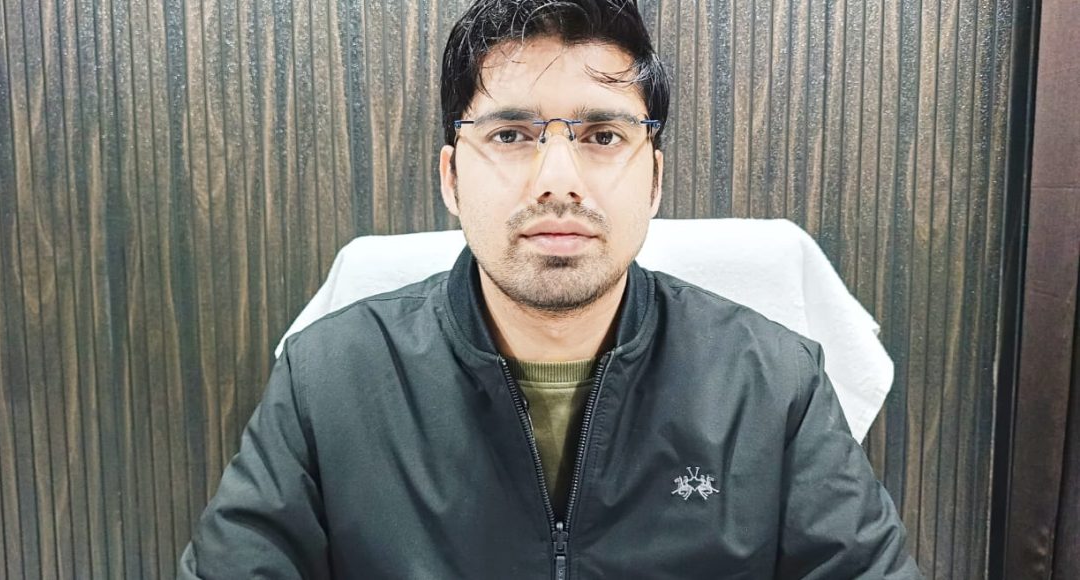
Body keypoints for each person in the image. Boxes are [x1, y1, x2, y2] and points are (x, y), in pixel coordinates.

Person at [179, 0, 921, 577]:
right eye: (511, 135)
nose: (558, 180)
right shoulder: (326, 380)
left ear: (654, 179)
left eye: (603, 137)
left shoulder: (774, 383)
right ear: (451, 178)